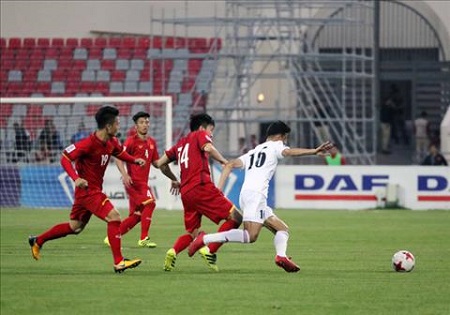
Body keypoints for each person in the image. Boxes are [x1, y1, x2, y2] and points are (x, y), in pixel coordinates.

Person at [188, 121, 333, 273]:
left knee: (282, 229)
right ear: (280, 136)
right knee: (250, 236)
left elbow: (230, 164)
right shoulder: (277, 146)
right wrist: (314, 151)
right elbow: (288, 152)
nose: (285, 142)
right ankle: (204, 239)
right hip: (256, 195)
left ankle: (281, 256)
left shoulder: (254, 151)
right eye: (285, 138)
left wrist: (219, 190)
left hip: (249, 196)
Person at [28, 106, 146, 273]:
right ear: (108, 126)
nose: (119, 127)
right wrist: (76, 178)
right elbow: (65, 157)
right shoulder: (88, 143)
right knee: (114, 217)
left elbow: (119, 153)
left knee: (74, 227)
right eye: (117, 124)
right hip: (88, 191)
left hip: (89, 193)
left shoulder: (111, 142)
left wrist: (134, 160)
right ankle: (119, 262)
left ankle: (37, 241)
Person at [155, 113, 242, 272]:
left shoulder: (180, 144)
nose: (211, 134)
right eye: (211, 130)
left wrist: (174, 179)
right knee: (236, 217)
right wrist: (223, 161)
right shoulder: (200, 134)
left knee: (191, 232)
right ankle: (210, 250)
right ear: (202, 128)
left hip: (186, 192)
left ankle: (172, 251)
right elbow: (208, 147)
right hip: (201, 186)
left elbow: (160, 164)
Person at [103, 111, 180, 248]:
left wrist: (173, 178)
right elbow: (119, 157)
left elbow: (157, 164)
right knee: (150, 203)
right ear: (136, 126)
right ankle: (144, 238)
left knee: (138, 215)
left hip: (142, 183)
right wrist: (125, 175)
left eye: (146, 122)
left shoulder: (152, 143)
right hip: (133, 183)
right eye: (141, 122)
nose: (145, 125)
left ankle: (111, 237)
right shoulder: (131, 141)